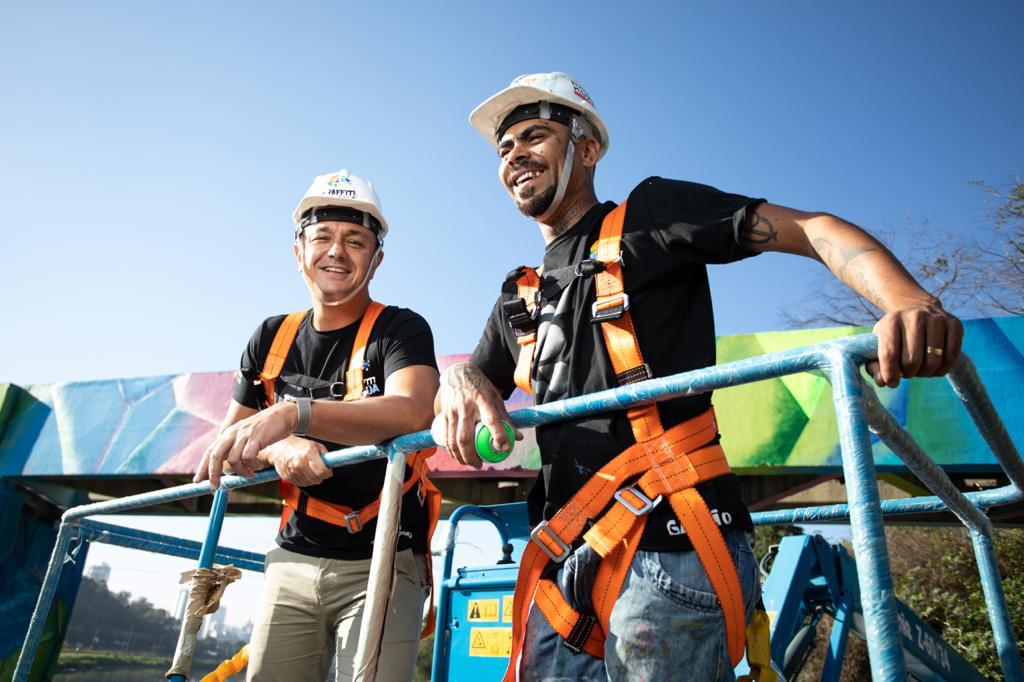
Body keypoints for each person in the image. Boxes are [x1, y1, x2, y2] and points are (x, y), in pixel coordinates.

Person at [435, 72, 964, 681]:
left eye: (535, 135)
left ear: (585, 149)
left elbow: (813, 230)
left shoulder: (651, 216)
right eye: (504, 148)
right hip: (564, 566)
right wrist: (460, 380)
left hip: (670, 549)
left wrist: (911, 303)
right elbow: (480, 377)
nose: (515, 155)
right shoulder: (519, 294)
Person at [194, 169, 440, 681]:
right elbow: (228, 446)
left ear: (377, 259)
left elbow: (411, 411)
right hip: (292, 558)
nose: (336, 252)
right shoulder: (271, 338)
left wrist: (293, 413)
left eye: (355, 241)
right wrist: (280, 445)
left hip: (383, 563)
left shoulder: (399, 330)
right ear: (298, 251)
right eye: (322, 237)